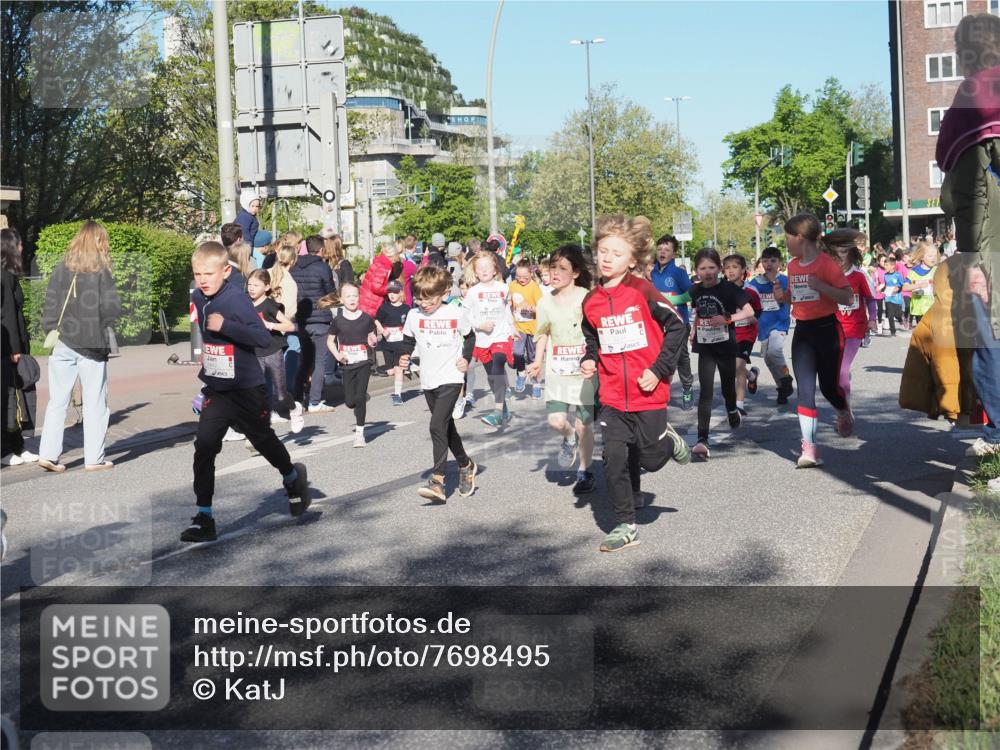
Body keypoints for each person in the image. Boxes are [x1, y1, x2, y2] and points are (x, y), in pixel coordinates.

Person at [183, 242, 310, 542]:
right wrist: (206, 358)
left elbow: (258, 336)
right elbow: (206, 332)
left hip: (246, 388)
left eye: (209, 274)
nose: (203, 279)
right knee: (204, 446)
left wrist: (226, 325)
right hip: (218, 387)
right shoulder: (197, 296)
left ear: (226, 271)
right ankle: (204, 517)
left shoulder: (236, 301)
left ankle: (292, 478)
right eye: (198, 273)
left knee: (262, 440)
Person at [580, 214, 689, 553]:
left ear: (632, 259)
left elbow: (677, 327)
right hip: (613, 394)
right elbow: (592, 336)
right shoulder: (591, 301)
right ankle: (625, 525)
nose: (607, 258)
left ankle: (668, 441)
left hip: (648, 389)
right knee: (612, 457)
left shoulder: (642, 290)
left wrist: (658, 370)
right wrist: (589, 358)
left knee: (652, 458)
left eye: (616, 252)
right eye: (603, 250)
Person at [936, 11, 1000, 458]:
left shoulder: (975, 94)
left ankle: (998, 439)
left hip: (989, 245)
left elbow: (971, 187)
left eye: (958, 48)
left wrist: (974, 260)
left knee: (988, 342)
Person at [36, 220, 122, 472]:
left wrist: (52, 329)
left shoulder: (61, 269)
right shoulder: (101, 272)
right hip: (92, 345)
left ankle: (48, 454)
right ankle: (94, 458)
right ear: (99, 242)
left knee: (57, 401)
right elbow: (111, 309)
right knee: (95, 401)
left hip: (62, 341)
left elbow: (50, 306)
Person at [778, 214, 855, 468]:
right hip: (803, 332)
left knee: (829, 388)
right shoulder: (792, 266)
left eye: (787, 237)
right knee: (806, 391)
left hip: (828, 331)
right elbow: (795, 297)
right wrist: (783, 297)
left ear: (799, 238)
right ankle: (808, 449)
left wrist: (821, 286)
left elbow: (847, 298)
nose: (785, 242)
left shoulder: (826, 264)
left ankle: (843, 409)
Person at [398, 266, 478, 502]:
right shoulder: (414, 316)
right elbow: (407, 340)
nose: (424, 304)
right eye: (420, 299)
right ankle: (465, 464)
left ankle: (438, 481)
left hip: (452, 377)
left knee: (436, 426)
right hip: (429, 379)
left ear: (443, 293)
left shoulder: (455, 312)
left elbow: (470, 336)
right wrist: (403, 356)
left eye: (429, 299)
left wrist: (465, 358)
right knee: (445, 426)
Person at [526, 245, 598, 495]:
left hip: (584, 373)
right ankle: (568, 439)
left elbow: (596, 332)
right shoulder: (545, 303)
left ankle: (585, 471)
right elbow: (543, 333)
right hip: (557, 372)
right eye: (552, 267)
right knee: (557, 421)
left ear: (576, 272)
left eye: (562, 268)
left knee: (583, 425)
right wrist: (537, 361)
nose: (555, 273)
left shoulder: (587, 298)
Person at [689, 249, 755, 458]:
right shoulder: (695, 291)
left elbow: (749, 311)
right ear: (696, 270)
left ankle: (732, 410)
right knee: (705, 392)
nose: (707, 272)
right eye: (702, 268)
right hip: (705, 346)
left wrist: (728, 319)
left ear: (719, 269)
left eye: (711, 268)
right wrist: (693, 331)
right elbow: (697, 313)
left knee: (727, 389)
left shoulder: (728, 289)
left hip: (726, 345)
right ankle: (702, 439)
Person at [246, 269, 303, 434]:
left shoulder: (269, 305)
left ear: (266, 286)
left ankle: (294, 409)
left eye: (256, 285)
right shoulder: (245, 304)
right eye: (249, 284)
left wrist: (270, 325)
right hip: (254, 352)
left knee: (281, 395)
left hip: (272, 351)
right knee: (256, 392)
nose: (251, 288)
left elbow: (292, 326)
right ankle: (260, 429)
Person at [464, 251, 515, 428]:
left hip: (501, 336)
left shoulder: (504, 289)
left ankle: (497, 412)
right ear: (476, 272)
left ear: (495, 270)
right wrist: (479, 325)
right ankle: (504, 407)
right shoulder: (472, 292)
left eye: (487, 267)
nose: (484, 270)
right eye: (480, 268)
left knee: (498, 365)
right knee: (492, 376)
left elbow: (509, 310)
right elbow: (465, 316)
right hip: (483, 340)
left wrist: (513, 328)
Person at [324, 283, 377, 448]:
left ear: (359, 297)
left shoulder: (367, 318)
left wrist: (373, 341)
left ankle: (360, 434)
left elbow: (373, 337)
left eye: (355, 295)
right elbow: (330, 341)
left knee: (359, 397)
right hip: (347, 363)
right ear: (341, 299)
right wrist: (337, 355)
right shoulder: (337, 321)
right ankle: (358, 403)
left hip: (364, 361)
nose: (352, 299)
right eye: (348, 296)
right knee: (349, 402)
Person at [828, 231, 877, 409]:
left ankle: (845, 409)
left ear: (850, 253)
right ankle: (844, 383)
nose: (839, 258)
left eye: (843, 253)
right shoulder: (827, 276)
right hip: (832, 329)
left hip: (855, 329)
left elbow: (871, 298)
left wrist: (873, 319)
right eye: (834, 254)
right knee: (836, 372)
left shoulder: (860, 275)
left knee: (841, 370)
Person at [1, 228, 37, 466]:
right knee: (8, 398)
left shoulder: (9, 274)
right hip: (6, 348)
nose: (23, 248)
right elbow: (7, 316)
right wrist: (14, 349)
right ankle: (4, 450)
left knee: (18, 397)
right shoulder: (4, 277)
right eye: (21, 244)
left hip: (13, 345)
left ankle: (18, 445)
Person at [290, 235, 337, 412]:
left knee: (305, 360)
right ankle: (315, 401)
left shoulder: (294, 266)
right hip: (320, 319)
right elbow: (330, 292)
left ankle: (297, 399)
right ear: (321, 250)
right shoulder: (322, 267)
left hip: (301, 320)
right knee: (319, 362)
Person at [650, 234, 694, 411]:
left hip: (679, 322)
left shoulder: (678, 273)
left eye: (667, 250)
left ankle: (687, 388)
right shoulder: (652, 273)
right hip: (658, 323)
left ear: (673, 254)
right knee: (659, 356)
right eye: (660, 249)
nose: (662, 252)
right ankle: (661, 392)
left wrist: (671, 301)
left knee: (681, 358)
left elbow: (692, 294)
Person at [748, 246, 794, 404]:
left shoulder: (784, 280)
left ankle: (786, 377)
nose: (769, 264)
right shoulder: (755, 281)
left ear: (780, 263)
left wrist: (778, 291)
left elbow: (786, 299)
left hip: (779, 322)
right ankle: (782, 387)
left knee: (775, 352)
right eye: (765, 260)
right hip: (763, 325)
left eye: (773, 261)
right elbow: (749, 300)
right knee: (768, 358)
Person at [722, 254, 762, 417]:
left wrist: (753, 318)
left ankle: (739, 405)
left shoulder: (751, 291)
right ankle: (751, 375)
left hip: (746, 334)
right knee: (732, 367)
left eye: (734, 267)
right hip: (728, 334)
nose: (730, 271)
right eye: (727, 268)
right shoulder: (721, 290)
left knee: (738, 367)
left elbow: (758, 310)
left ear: (743, 270)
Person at [509, 257, 544, 399]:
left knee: (533, 358)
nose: (521, 279)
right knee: (517, 353)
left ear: (531, 274)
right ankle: (521, 373)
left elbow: (542, 308)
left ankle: (536, 384)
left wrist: (531, 308)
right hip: (519, 327)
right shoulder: (512, 285)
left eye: (524, 277)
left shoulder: (534, 287)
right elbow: (509, 304)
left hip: (533, 328)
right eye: (518, 276)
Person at [375, 280, 410, 406]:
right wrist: (382, 331)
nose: (392, 295)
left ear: (400, 293)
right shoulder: (384, 307)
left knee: (398, 369)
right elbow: (377, 320)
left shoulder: (406, 309)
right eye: (389, 292)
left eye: (395, 292)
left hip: (401, 344)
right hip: (387, 344)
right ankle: (396, 379)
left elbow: (410, 325)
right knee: (391, 371)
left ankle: (398, 395)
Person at [903, 242, 939, 327]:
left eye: (935, 256)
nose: (933, 258)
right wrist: (918, 286)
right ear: (922, 257)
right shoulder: (913, 272)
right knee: (924, 333)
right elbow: (905, 287)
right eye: (930, 256)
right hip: (919, 308)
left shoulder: (937, 270)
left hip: (933, 306)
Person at [359, 241, 399, 317]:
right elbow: (376, 287)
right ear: (392, 255)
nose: (397, 259)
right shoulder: (383, 267)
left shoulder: (379, 262)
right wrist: (390, 288)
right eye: (397, 255)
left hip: (367, 300)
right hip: (370, 303)